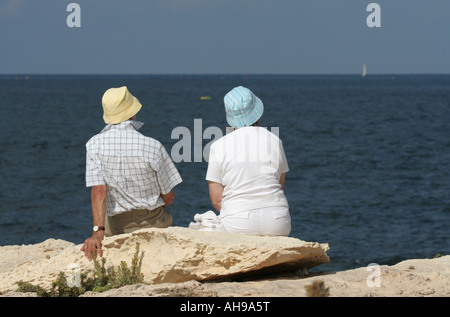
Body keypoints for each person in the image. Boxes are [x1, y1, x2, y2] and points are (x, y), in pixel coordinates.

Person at [81, 86, 182, 260]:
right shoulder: (153, 146)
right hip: (153, 222)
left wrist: (97, 232)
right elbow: (169, 197)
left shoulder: (93, 145)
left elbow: (99, 191)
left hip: (115, 225)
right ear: (132, 113)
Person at [205, 86, 291, 236]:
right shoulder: (275, 140)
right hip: (278, 221)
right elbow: (280, 185)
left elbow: (217, 200)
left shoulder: (218, 146)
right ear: (257, 113)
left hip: (238, 222)